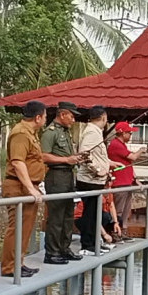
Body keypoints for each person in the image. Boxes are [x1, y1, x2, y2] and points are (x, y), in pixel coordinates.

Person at [0, 101, 46, 278]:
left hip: (28, 186)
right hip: (18, 187)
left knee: (25, 227)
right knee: (17, 226)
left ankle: (19, 262)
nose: (45, 119)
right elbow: (18, 162)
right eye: (44, 116)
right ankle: (10, 266)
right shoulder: (20, 133)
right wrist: (30, 188)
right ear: (38, 117)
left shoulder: (31, 133)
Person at [41, 101, 84, 264]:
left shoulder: (66, 132)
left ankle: (64, 248)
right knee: (56, 216)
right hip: (56, 175)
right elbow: (44, 156)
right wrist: (66, 159)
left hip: (67, 175)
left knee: (67, 215)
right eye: (71, 116)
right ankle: (51, 252)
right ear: (63, 114)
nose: (73, 120)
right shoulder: (50, 132)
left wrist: (76, 158)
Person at [76, 106, 121, 255]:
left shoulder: (96, 132)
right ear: (103, 117)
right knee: (90, 214)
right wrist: (98, 170)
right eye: (106, 118)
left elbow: (97, 156)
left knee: (95, 213)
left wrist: (108, 163)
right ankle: (87, 245)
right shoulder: (91, 132)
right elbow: (84, 154)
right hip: (89, 180)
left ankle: (94, 243)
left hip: (95, 181)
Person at [107, 121, 146, 240]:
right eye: (129, 133)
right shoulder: (116, 145)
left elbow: (128, 164)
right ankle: (115, 231)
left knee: (126, 209)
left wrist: (136, 180)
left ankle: (123, 231)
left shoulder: (122, 145)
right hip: (119, 183)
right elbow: (133, 157)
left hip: (127, 182)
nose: (131, 135)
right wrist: (141, 150)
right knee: (118, 209)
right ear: (122, 133)